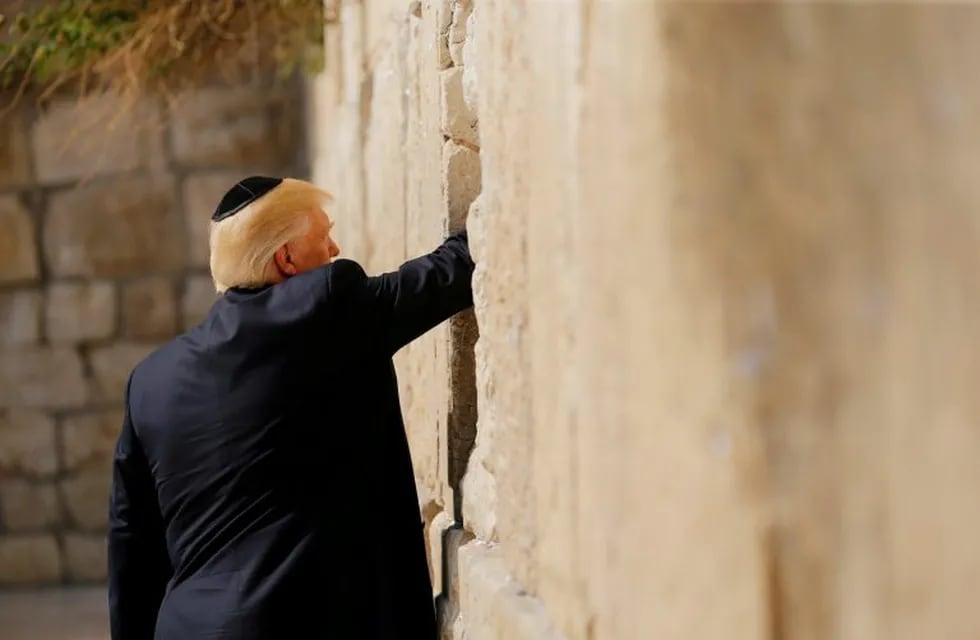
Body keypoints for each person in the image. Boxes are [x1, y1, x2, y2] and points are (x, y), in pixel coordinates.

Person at [107, 176, 474, 639]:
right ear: (286, 258)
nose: (336, 248)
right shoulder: (325, 306)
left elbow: (131, 545)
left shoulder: (150, 380)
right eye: (324, 237)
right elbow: (445, 276)